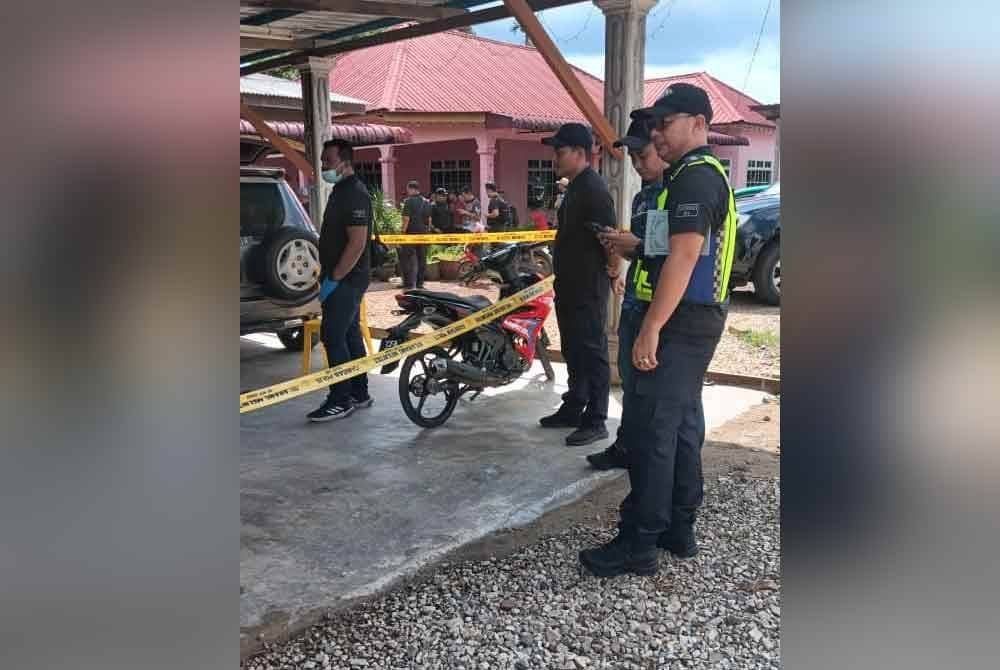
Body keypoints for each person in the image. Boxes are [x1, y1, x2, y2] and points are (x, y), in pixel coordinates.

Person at [579, 83, 738, 577]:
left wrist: (651, 328)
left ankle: (639, 543)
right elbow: (666, 249)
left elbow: (685, 256)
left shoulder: (694, 178)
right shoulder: (691, 177)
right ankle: (677, 526)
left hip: (680, 323)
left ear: (698, 124)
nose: (656, 135)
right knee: (680, 428)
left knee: (652, 433)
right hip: (692, 319)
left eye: (664, 124)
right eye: (653, 126)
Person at [586, 118, 666, 471]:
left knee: (655, 395)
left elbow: (674, 253)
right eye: (632, 156)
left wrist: (634, 244)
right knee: (631, 387)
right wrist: (622, 249)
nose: (636, 163)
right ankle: (626, 447)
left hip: (661, 309)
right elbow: (644, 249)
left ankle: (650, 457)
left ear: (663, 149)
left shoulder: (675, 194)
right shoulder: (642, 196)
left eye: (642, 154)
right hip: (637, 298)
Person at [539, 123, 616, 447]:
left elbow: (610, 240)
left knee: (592, 350)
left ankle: (596, 418)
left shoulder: (594, 190)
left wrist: (612, 275)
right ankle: (574, 405)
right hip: (570, 285)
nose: (555, 157)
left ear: (580, 153)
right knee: (573, 347)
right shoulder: (575, 187)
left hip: (587, 286)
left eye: (560, 151)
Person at [307, 139, 376, 422]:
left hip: (347, 278)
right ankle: (359, 393)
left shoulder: (354, 194)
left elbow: (357, 243)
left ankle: (340, 399)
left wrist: (335, 278)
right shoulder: (341, 190)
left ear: (345, 163)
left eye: (328, 161)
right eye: (323, 161)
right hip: (342, 277)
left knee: (332, 336)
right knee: (348, 334)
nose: (323, 166)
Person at [400, 180, 430, 289]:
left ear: (411, 189)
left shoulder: (408, 202)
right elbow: (429, 220)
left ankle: (408, 283)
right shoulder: (426, 202)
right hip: (423, 234)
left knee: (407, 258)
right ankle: (420, 283)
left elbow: (406, 219)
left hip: (410, 234)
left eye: (408, 189)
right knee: (422, 258)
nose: (407, 192)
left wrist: (402, 232)